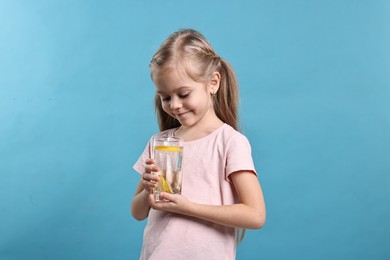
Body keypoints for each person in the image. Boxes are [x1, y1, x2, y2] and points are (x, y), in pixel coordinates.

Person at [131, 29, 266, 260]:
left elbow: (255, 215)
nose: (174, 105)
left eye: (183, 94)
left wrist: (188, 207)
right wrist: (146, 190)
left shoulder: (229, 142)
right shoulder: (159, 143)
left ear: (213, 83)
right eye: (165, 97)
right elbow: (138, 212)